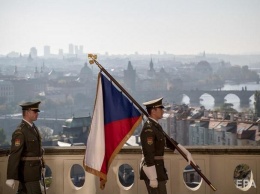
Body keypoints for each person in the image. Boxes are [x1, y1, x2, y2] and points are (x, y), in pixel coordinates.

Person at [139, 97, 195, 194]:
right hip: (153, 170)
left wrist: (186, 153)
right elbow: (148, 153)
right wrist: (152, 178)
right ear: (153, 111)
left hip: (158, 169)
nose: (163, 110)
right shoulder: (149, 129)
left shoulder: (156, 126)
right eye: (160, 108)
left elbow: (169, 142)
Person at [6, 101, 45, 194]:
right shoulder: (20, 132)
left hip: (33, 172)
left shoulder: (33, 128)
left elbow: (36, 151)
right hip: (28, 174)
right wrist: (11, 177)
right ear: (27, 112)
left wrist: (42, 165)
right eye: (35, 111)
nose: (37, 114)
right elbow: (15, 154)